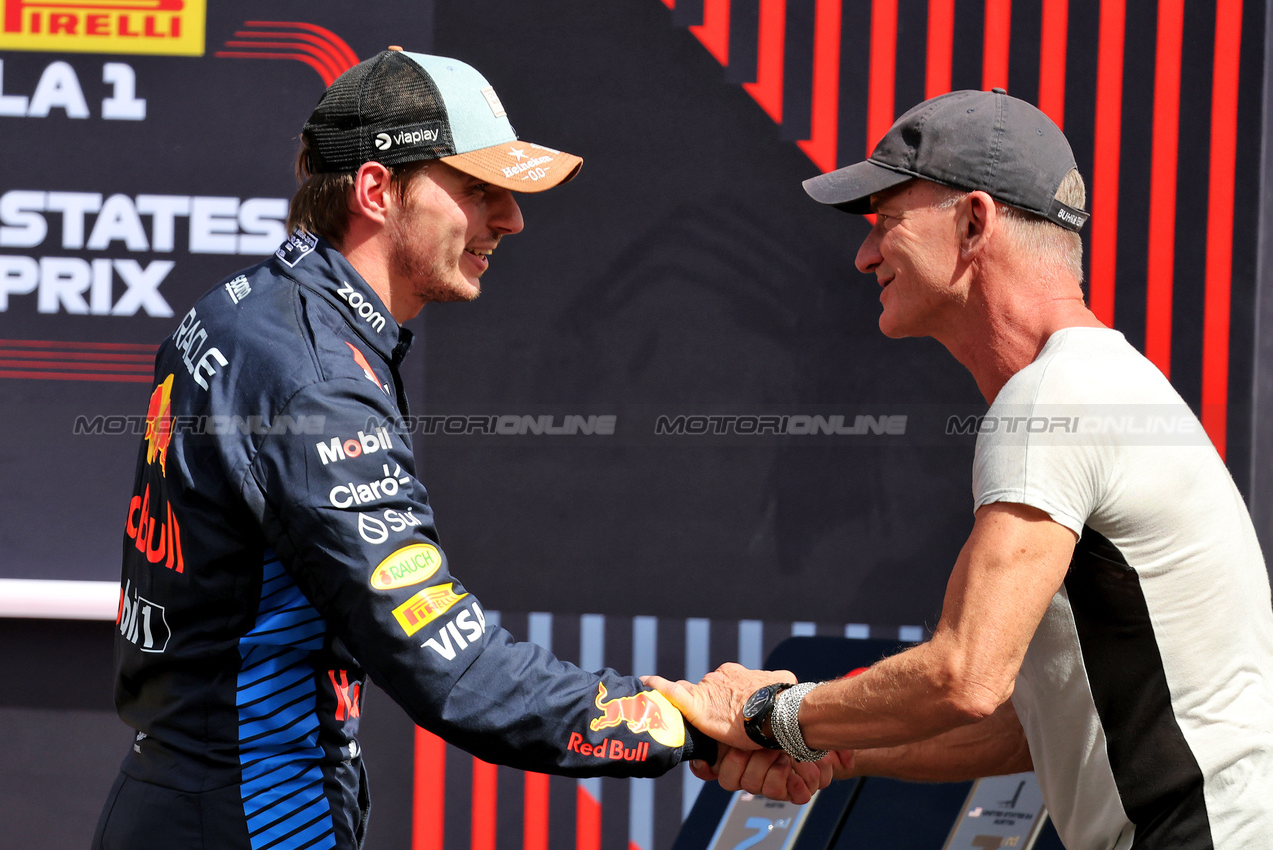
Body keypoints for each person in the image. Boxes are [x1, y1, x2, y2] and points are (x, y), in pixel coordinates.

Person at [93, 47, 823, 850]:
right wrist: (687, 722)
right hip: (256, 809)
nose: (509, 220)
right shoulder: (316, 379)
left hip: (176, 792)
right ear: (376, 189)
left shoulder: (245, 310)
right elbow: (454, 668)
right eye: (479, 192)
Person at [646, 89, 1273, 848]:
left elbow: (963, 675)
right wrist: (819, 747)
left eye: (885, 222)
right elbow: (1019, 728)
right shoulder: (1094, 384)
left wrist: (762, 714)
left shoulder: (1053, 399)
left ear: (974, 222)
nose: (864, 254)